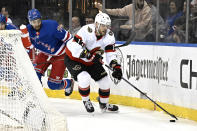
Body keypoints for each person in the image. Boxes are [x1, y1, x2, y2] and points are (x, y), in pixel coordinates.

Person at [64, 12, 122, 113]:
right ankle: (86, 101)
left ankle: (104, 104)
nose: (105, 28)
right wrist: (89, 56)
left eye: (107, 26)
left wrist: (116, 66)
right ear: (96, 24)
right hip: (74, 59)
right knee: (84, 77)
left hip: (90, 61)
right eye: (103, 25)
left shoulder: (109, 35)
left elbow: (110, 53)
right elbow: (75, 48)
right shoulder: (86, 30)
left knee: (105, 81)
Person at [21, 9, 74, 96]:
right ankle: (36, 97)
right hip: (44, 54)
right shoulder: (27, 31)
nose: (37, 24)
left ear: (41, 19)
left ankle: (68, 83)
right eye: (34, 22)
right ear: (30, 22)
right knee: (34, 76)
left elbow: (69, 39)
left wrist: (72, 53)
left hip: (60, 55)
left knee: (53, 85)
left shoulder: (52, 26)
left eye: (38, 21)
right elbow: (27, 47)